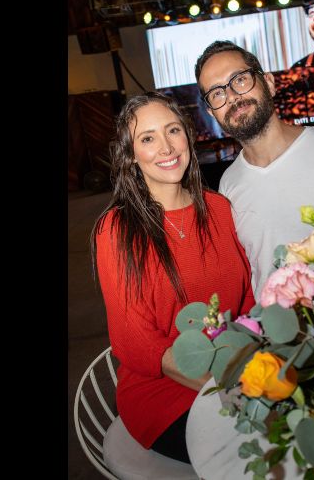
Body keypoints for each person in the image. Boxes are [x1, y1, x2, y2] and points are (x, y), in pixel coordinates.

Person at [91, 92, 256, 464]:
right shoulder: (117, 229)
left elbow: (247, 303)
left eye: (173, 130)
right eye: (147, 138)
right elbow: (138, 342)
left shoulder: (219, 209)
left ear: (189, 135)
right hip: (164, 395)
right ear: (131, 153)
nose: (165, 147)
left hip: (234, 370)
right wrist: (229, 388)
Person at [194, 41, 314, 298]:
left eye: (240, 80)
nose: (231, 96)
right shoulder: (228, 185)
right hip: (275, 336)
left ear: (270, 83)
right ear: (212, 111)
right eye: (217, 93)